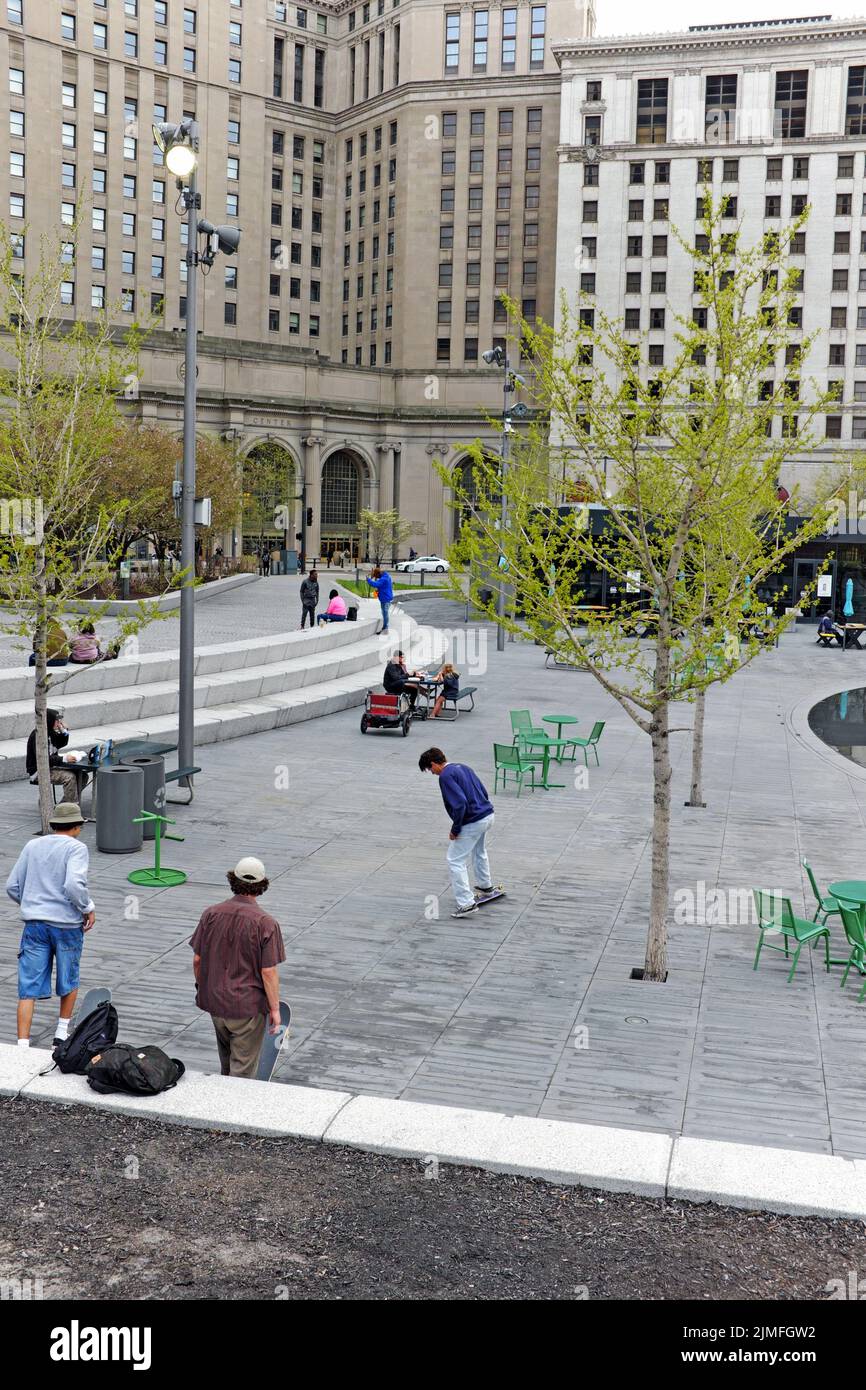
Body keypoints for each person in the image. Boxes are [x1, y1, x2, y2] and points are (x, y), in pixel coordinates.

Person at [6, 802, 96, 1047]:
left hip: (34, 924)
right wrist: (87, 908)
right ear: (77, 826)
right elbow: (73, 885)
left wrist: (32, 903)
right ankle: (60, 1033)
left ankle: (22, 1043)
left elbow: (12, 887)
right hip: (66, 925)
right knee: (69, 977)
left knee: (28, 984)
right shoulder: (77, 848)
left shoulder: (32, 845)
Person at [190, 856, 286, 1080]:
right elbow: (268, 972)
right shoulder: (266, 923)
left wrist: (203, 987)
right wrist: (274, 1009)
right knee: (241, 1073)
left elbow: (197, 959)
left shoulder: (211, 913)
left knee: (226, 1063)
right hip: (247, 1008)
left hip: (214, 1001)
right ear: (262, 885)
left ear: (233, 879)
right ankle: (227, 1110)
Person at [418, 747, 496, 918]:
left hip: (473, 820)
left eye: (430, 769)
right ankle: (485, 885)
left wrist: (455, 829)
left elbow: (460, 803)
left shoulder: (445, 776)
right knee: (479, 851)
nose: (432, 773)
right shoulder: (464, 767)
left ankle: (466, 903)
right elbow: (483, 791)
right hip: (487, 815)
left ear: (433, 764)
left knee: (455, 860)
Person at [26, 708, 87, 805]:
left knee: (83, 776)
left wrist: (63, 730)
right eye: (56, 720)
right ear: (49, 721)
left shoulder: (51, 732)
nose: (59, 722)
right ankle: (70, 809)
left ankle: (64, 806)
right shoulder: (38, 736)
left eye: (59, 720)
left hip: (51, 766)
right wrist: (64, 758)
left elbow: (61, 743)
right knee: (69, 777)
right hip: (39, 770)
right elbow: (43, 758)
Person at [367, 565, 394, 633]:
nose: (377, 578)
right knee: (384, 612)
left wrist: (368, 579)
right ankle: (385, 627)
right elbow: (381, 585)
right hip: (385, 597)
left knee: (385, 613)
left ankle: (385, 628)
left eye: (377, 576)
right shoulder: (386, 576)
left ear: (379, 574)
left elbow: (375, 584)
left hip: (385, 598)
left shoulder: (384, 579)